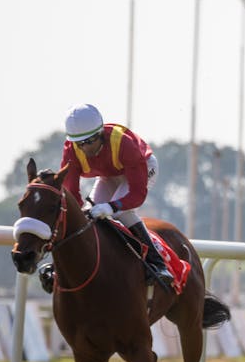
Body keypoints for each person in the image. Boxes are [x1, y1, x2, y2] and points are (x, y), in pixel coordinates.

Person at [46, 103, 173, 293]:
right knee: (88, 216)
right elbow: (72, 195)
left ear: (100, 134)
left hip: (142, 167)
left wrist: (112, 207)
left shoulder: (124, 144)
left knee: (121, 213)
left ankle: (157, 263)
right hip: (109, 174)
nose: (85, 148)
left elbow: (136, 195)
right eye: (80, 143)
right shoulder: (71, 151)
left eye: (89, 141)